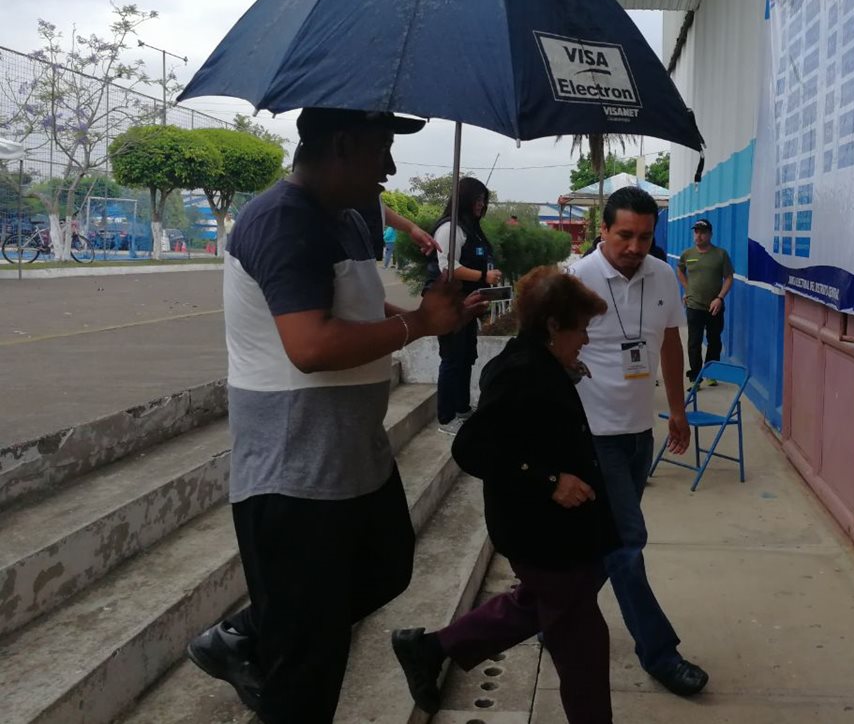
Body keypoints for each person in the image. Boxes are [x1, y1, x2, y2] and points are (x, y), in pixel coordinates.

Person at [185, 107, 484, 723]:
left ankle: (247, 633)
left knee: (388, 566)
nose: (391, 167)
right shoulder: (282, 221)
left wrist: (426, 310)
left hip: (352, 458)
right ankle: (261, 639)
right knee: (307, 677)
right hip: (296, 474)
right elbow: (312, 346)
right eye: (382, 149)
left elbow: (358, 308)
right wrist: (418, 325)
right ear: (342, 145)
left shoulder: (346, 218)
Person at [391, 267, 618, 724]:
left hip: (560, 533)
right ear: (553, 325)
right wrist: (550, 481)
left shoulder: (542, 363)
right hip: (544, 536)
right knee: (583, 648)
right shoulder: (522, 371)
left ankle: (433, 647)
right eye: (581, 329)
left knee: (536, 604)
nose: (586, 341)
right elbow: (471, 447)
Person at [567, 186, 709, 697]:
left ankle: (544, 612)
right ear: (602, 231)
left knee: (603, 545)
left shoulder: (664, 275)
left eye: (644, 236)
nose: (634, 245)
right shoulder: (577, 280)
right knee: (627, 544)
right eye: (624, 234)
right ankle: (659, 652)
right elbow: (552, 357)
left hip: (637, 434)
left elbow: (670, 342)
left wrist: (677, 410)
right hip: (592, 435)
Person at [426, 176, 501, 435]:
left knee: (466, 356)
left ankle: (462, 408)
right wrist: (483, 277)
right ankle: (446, 418)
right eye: (478, 199)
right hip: (451, 302)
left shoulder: (471, 229)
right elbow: (449, 267)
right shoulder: (450, 228)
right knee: (452, 359)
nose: (481, 205)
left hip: (469, 305)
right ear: (466, 199)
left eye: (484, 200)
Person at [676, 218, 734, 387]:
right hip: (694, 305)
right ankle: (695, 376)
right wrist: (687, 289)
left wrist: (720, 298)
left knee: (714, 340)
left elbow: (729, 277)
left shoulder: (720, 254)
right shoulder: (687, 254)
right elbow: (679, 269)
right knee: (694, 341)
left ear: (710, 234)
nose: (698, 236)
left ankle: (711, 373)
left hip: (714, 307)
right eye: (696, 232)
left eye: (702, 232)